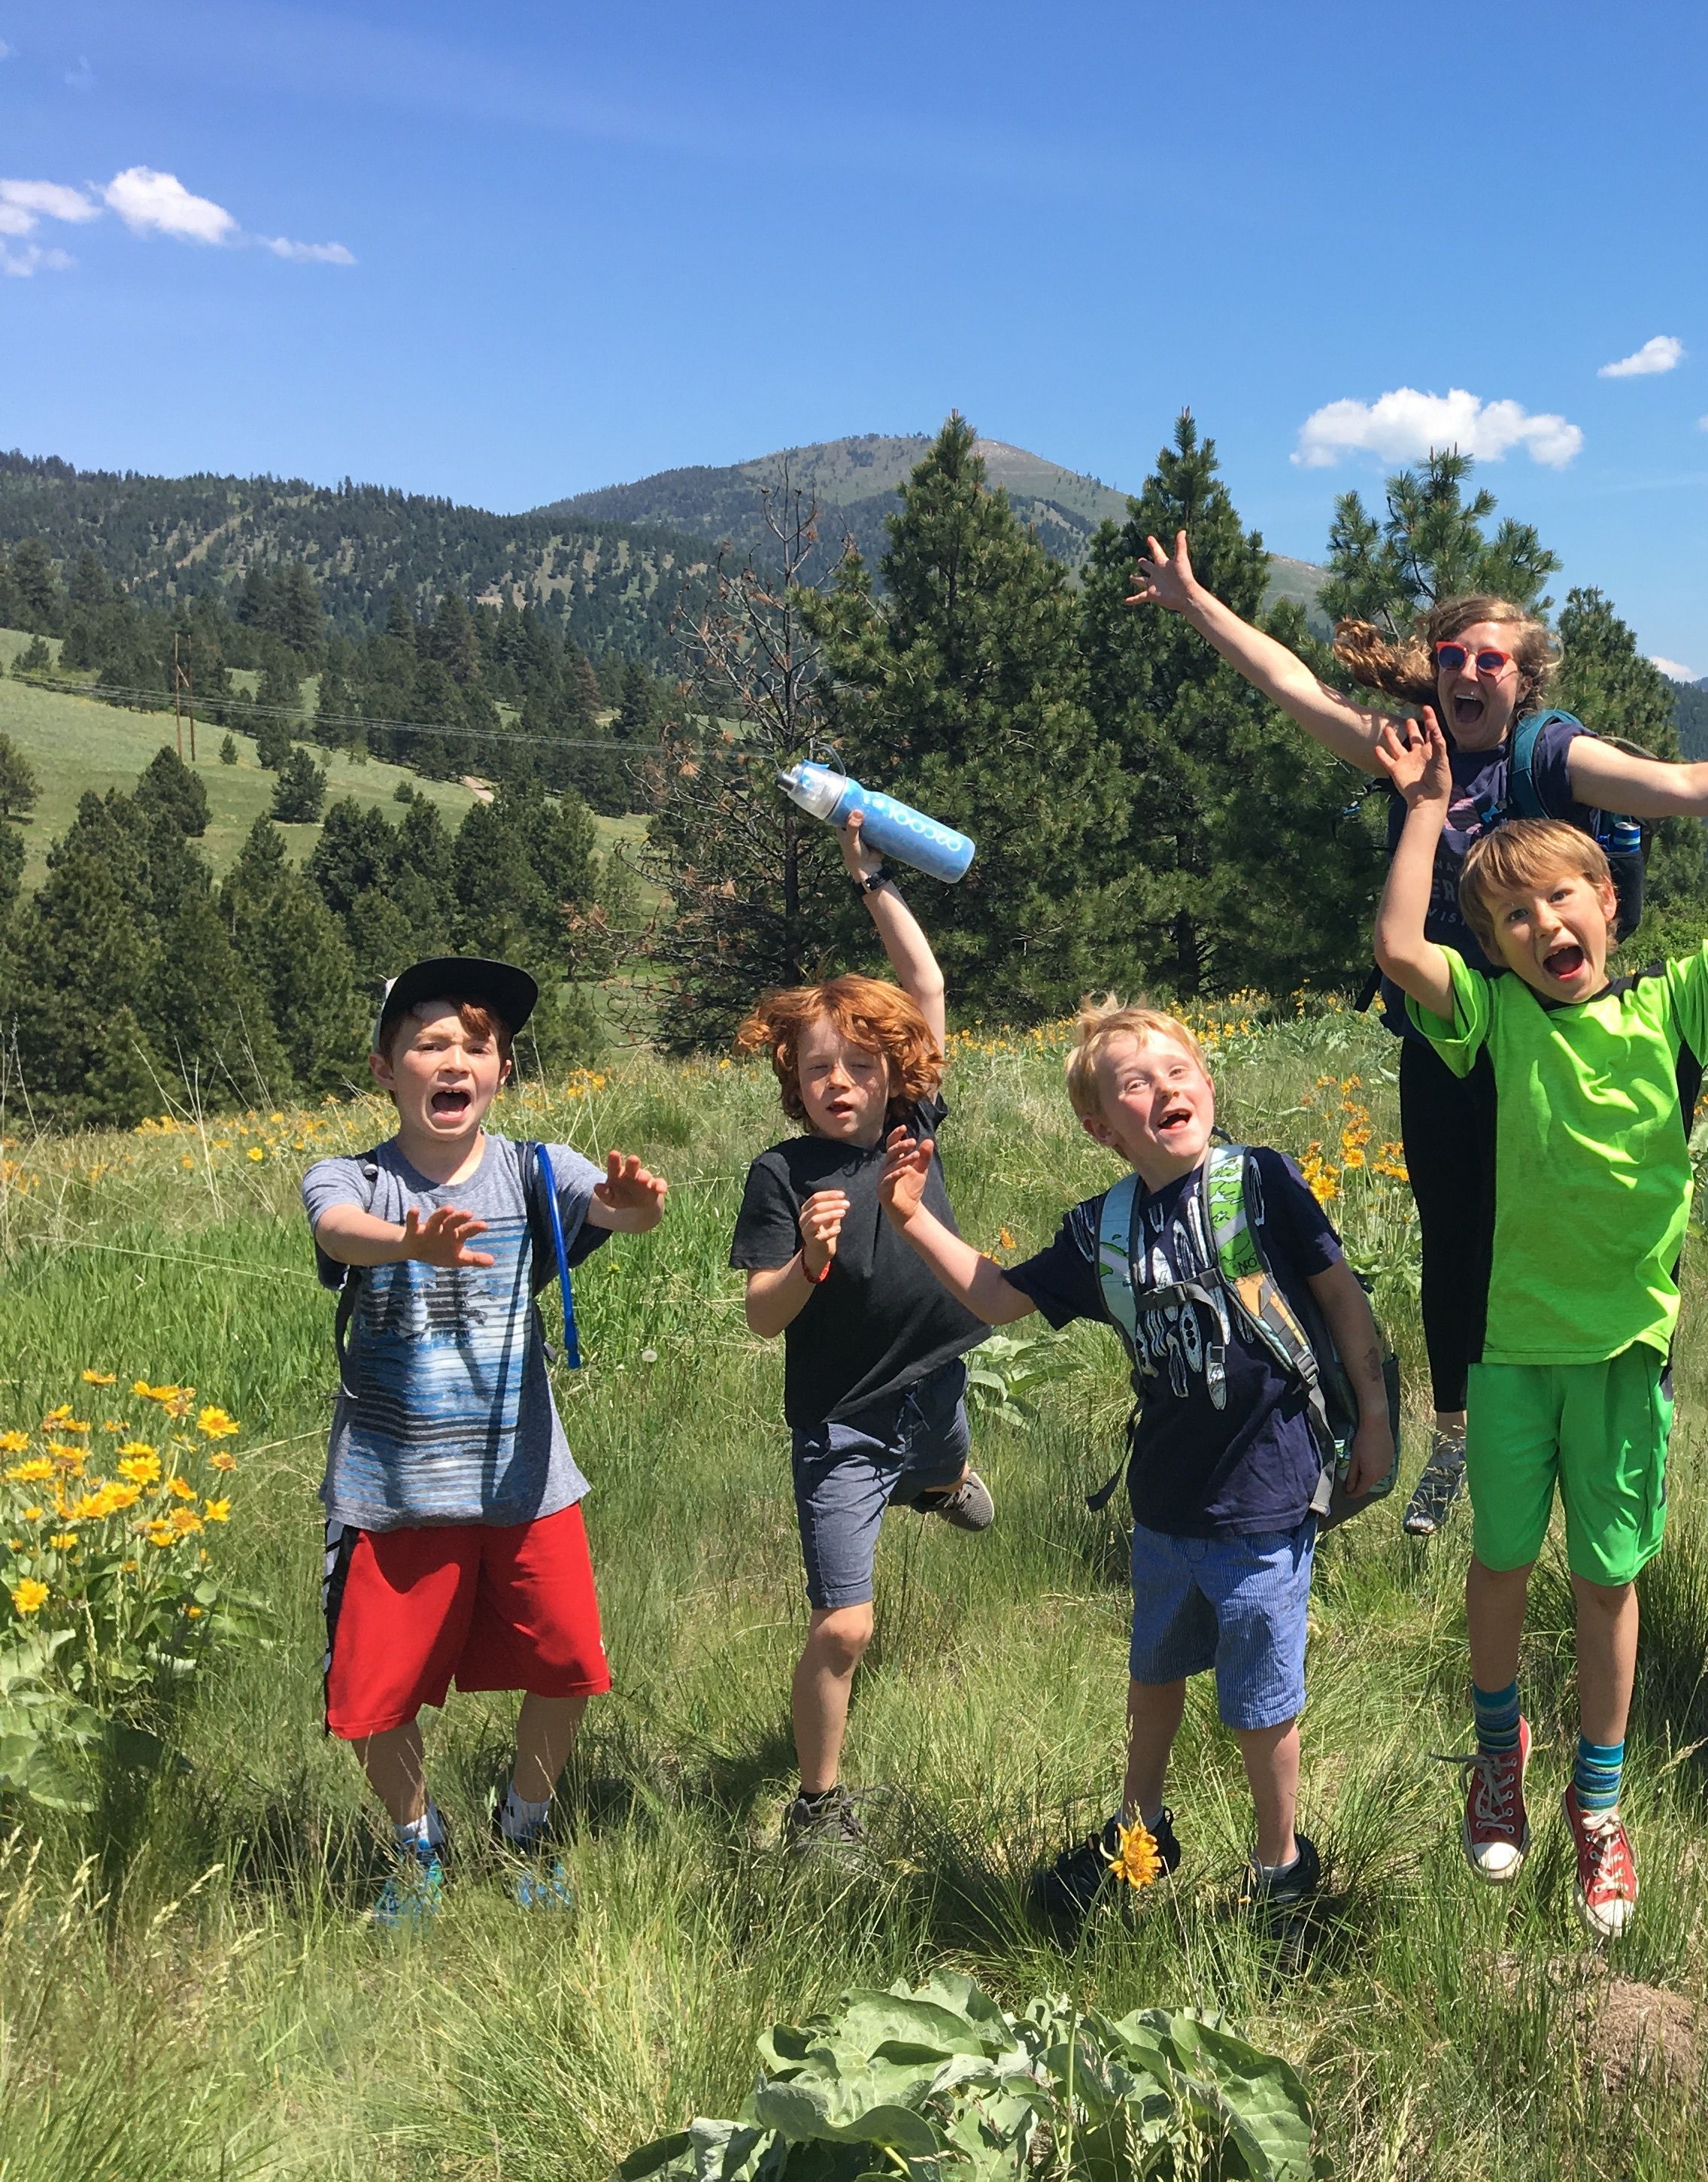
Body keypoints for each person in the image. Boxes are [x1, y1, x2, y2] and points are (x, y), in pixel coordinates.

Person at [1126, 533, 1708, 1538]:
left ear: (1523, 679)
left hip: (1564, 1037)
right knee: (1455, 1238)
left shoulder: (1551, 754)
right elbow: (1289, 685)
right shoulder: (1410, 749)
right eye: (1454, 656)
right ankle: (1460, 1436)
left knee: (1610, 1203)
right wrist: (1196, 602)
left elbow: (1683, 786)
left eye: (1491, 659)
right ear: (1433, 670)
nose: (1470, 672)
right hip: (1451, 1029)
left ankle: (1632, 1386)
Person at [1375, 684, 1708, 1938]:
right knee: (1500, 1560)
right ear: (1492, 945)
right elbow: (1399, 949)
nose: (1541, 920)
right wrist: (1424, 809)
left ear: (1609, 906)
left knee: (1609, 1582)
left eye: (1562, 897)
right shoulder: (1487, 1021)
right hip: (1508, 1353)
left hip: (1622, 1354)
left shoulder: (1674, 1005)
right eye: (1510, 913)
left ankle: (1595, 1808)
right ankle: (1497, 1757)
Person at [876, 999, 1394, 1941]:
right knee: (1153, 1679)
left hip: (1267, 1501)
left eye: (1177, 1070)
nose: (1164, 1089)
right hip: (1164, 1504)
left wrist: (1378, 1421)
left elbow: (1341, 1300)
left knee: (1260, 1703)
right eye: (1134, 1083)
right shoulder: (1100, 1229)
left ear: (1206, 1082)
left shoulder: (1263, 1182)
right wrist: (910, 1219)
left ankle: (1280, 1866)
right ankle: (1138, 1836)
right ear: (1101, 1127)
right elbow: (996, 1298)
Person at [303, 957, 669, 1923]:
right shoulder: (356, 1179)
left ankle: (527, 1826)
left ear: (503, 1071)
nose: (452, 1060)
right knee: (371, 1699)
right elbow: (335, 1230)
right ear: (386, 1070)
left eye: (475, 1045)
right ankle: (417, 1842)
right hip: (391, 1490)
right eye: (428, 1044)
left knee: (567, 1666)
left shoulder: (537, 1168)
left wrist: (638, 1206)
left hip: (527, 1486)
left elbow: (615, 1209)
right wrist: (407, 1243)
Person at [729, 813, 997, 1855]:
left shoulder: (911, 1128)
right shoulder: (781, 1175)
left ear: (896, 1072)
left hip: (937, 1378)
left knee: (945, 1461)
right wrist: (804, 1261)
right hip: (841, 1424)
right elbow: (761, 1317)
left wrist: (873, 880)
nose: (839, 1081)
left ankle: (940, 1485)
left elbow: (925, 991)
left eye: (859, 1064)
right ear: (791, 1083)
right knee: (845, 1624)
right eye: (816, 1068)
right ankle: (818, 1807)